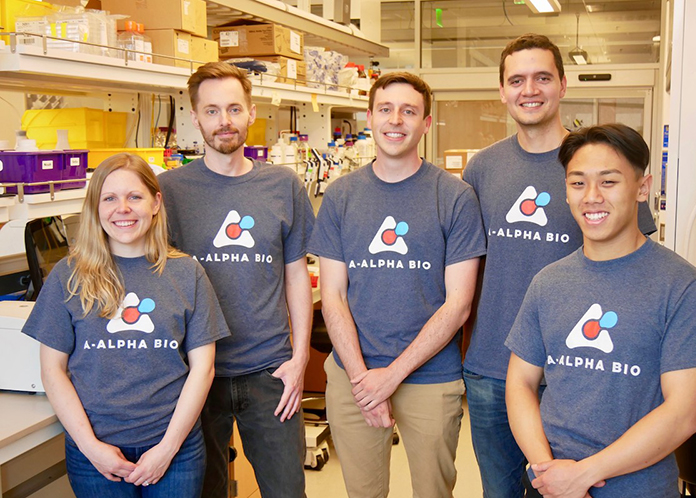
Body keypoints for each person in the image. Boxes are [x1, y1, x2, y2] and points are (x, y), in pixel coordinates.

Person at [461, 33, 657, 497]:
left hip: (584, 370)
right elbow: (467, 269)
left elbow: (639, 266)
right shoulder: (481, 170)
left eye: (542, 77)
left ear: (563, 85)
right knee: (501, 492)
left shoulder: (598, 161)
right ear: (502, 91)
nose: (530, 89)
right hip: (493, 367)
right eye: (517, 80)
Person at [505, 123, 696, 498]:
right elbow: (520, 384)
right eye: (578, 183)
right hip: (550, 484)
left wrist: (583, 476)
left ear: (642, 188)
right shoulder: (548, 282)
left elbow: (685, 413)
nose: (591, 197)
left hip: (639, 489)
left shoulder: (681, 286)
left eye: (608, 182)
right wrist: (549, 474)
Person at [308, 72, 486, 497]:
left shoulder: (455, 197)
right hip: (354, 377)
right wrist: (361, 378)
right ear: (370, 117)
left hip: (431, 377)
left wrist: (390, 377)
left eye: (409, 111)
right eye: (385, 110)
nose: (396, 120)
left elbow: (458, 304)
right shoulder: (340, 196)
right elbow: (332, 295)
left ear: (426, 123)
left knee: (433, 492)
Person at [22, 153, 229, 498]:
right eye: (110, 198)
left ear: (155, 202)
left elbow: (203, 369)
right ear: (95, 207)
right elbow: (52, 370)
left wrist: (167, 449)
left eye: (135, 196)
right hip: (94, 452)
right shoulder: (69, 276)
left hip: (175, 450)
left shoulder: (187, 274)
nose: (123, 208)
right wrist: (91, 447)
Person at [158, 61, 314, 498]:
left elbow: (295, 273)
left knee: (286, 490)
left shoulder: (284, 184)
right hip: (194, 374)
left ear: (251, 112)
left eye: (233, 109)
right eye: (211, 111)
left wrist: (300, 357)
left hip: (271, 370)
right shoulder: (168, 191)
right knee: (204, 490)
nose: (223, 121)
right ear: (195, 118)